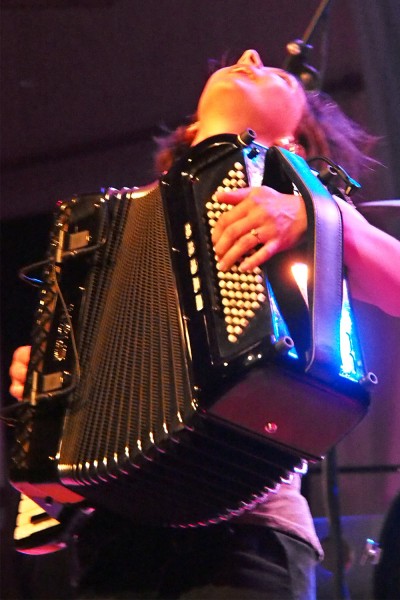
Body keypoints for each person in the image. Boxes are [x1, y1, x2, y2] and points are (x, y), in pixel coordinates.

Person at [8, 49, 400, 600]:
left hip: (249, 537)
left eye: (276, 75)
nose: (250, 55)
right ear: (191, 129)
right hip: (115, 540)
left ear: (294, 143)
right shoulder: (113, 229)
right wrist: (49, 391)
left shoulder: (307, 207)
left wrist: (321, 214)